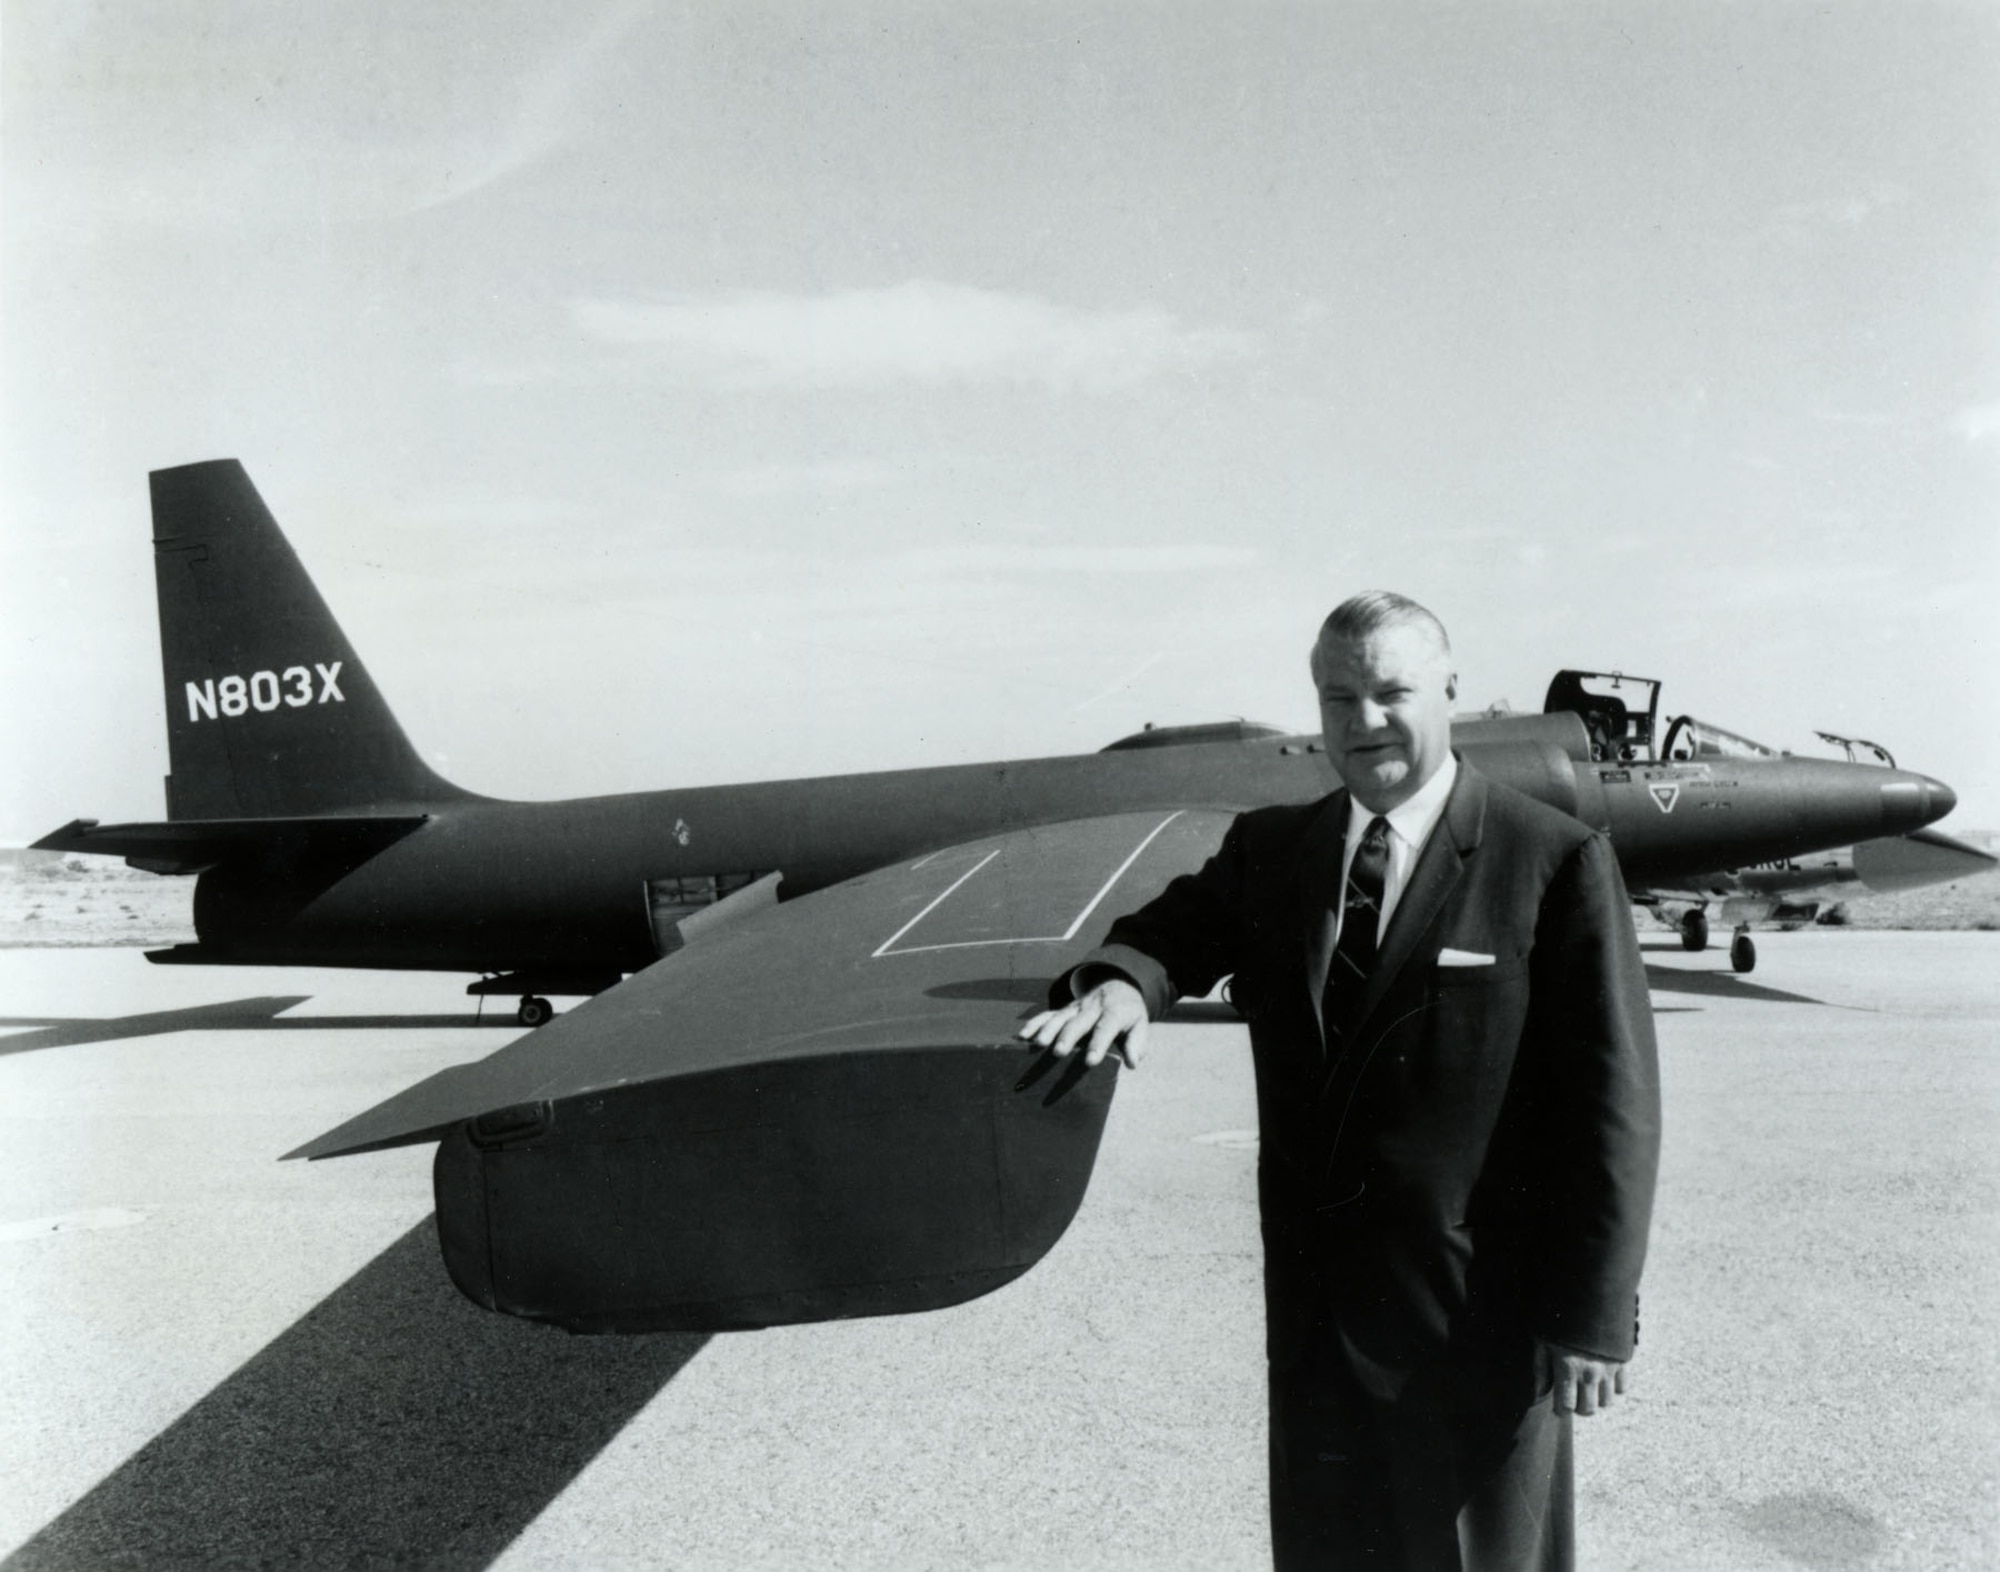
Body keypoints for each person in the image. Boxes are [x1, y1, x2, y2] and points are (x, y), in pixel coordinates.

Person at [1020, 592, 1660, 1571]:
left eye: (1390, 692)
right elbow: (1169, 933)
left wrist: (1594, 1320)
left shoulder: (1549, 859)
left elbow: (1610, 1111)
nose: (1362, 723)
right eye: (1336, 698)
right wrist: (1121, 984)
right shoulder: (1272, 851)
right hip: (1317, 1329)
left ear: (1449, 690)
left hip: (1475, 1328)